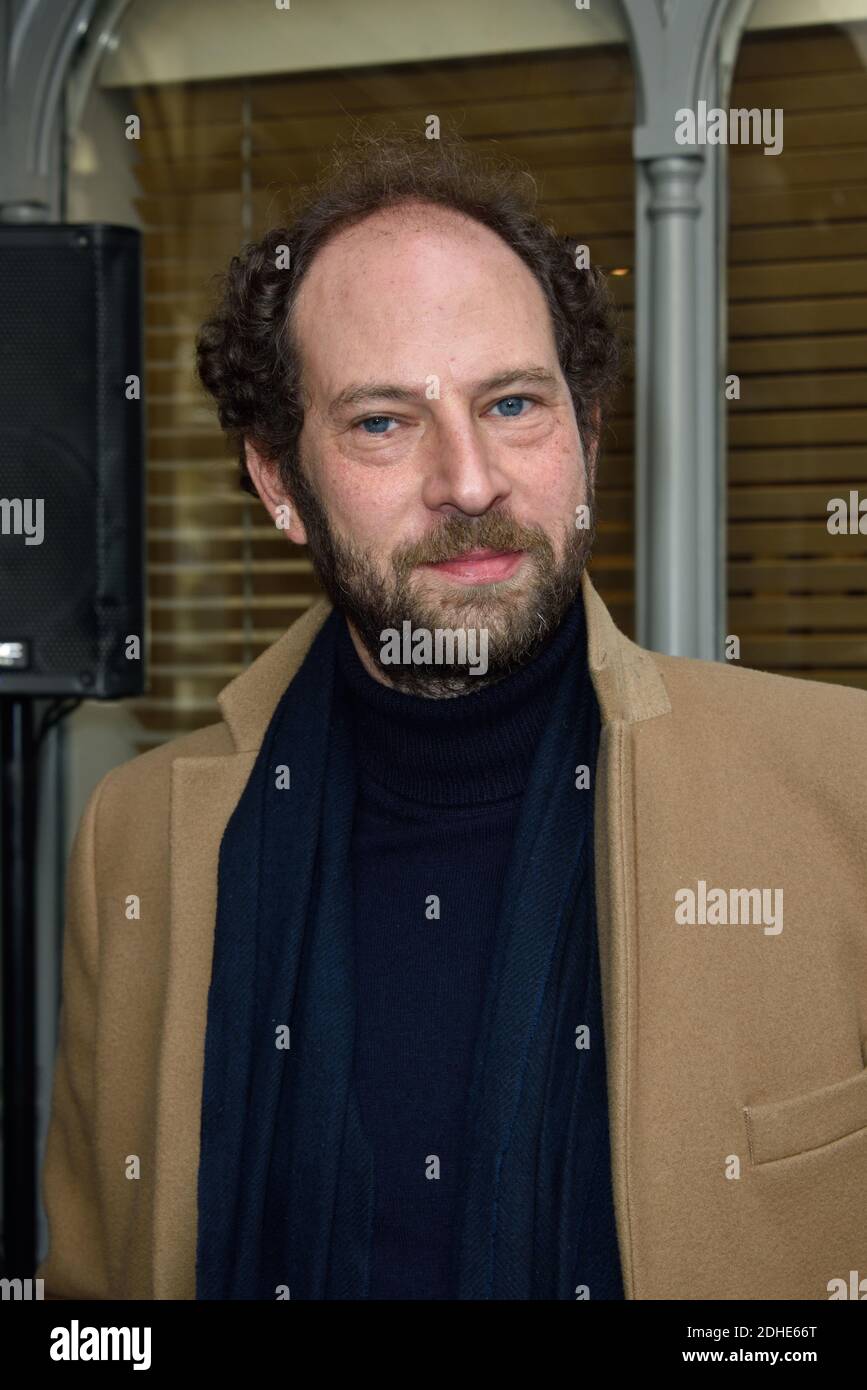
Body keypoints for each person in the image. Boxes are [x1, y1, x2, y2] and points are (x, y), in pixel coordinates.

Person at [38, 133, 867, 1301]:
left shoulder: (842, 796)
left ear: (585, 430)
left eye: (514, 403)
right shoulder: (134, 842)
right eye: (384, 421)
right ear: (280, 481)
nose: (469, 482)